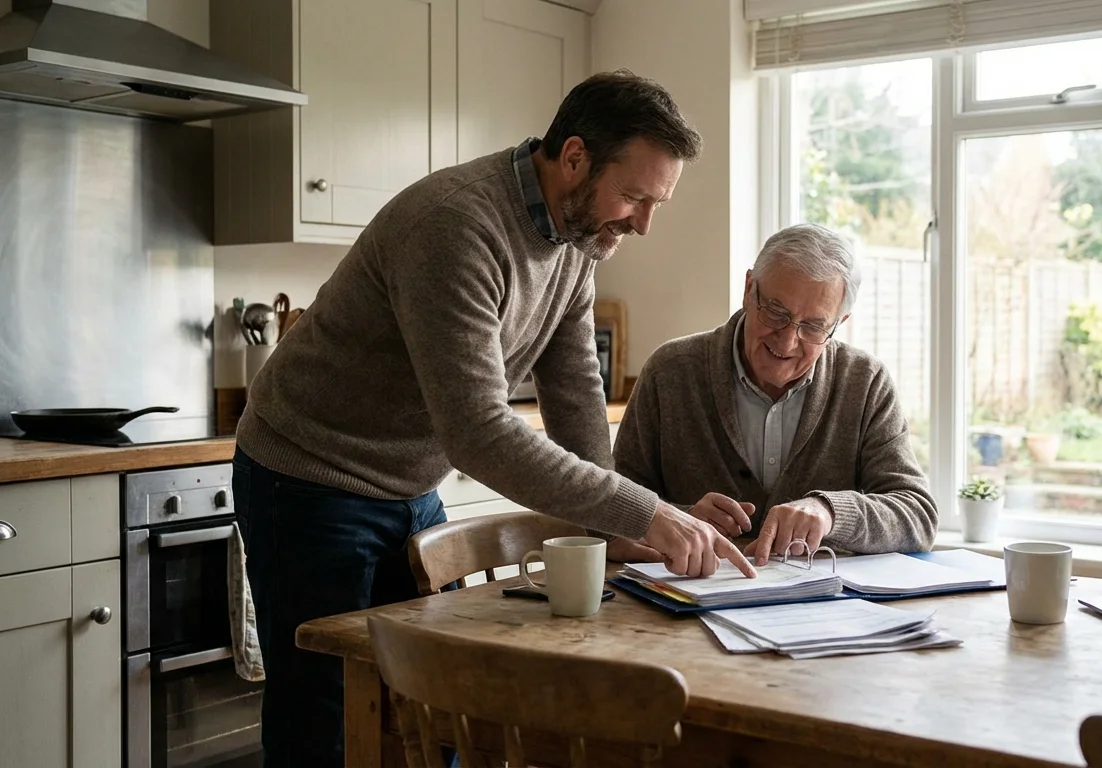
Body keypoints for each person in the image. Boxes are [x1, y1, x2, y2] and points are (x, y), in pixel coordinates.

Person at [231, 70, 755, 768]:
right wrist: (645, 511)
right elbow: (477, 430)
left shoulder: (578, 243)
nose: (643, 222)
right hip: (305, 478)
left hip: (406, 484)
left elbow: (575, 397)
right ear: (573, 158)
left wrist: (619, 521)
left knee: (430, 706)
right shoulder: (456, 225)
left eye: (656, 202)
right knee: (325, 716)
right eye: (634, 196)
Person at [608, 223, 940, 566]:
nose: (787, 341)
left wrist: (829, 512)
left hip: (823, 611)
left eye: (813, 326)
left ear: (840, 322)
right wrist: (678, 518)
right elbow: (608, 507)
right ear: (749, 288)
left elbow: (917, 517)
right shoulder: (671, 372)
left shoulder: (865, 383)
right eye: (776, 313)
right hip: (684, 608)